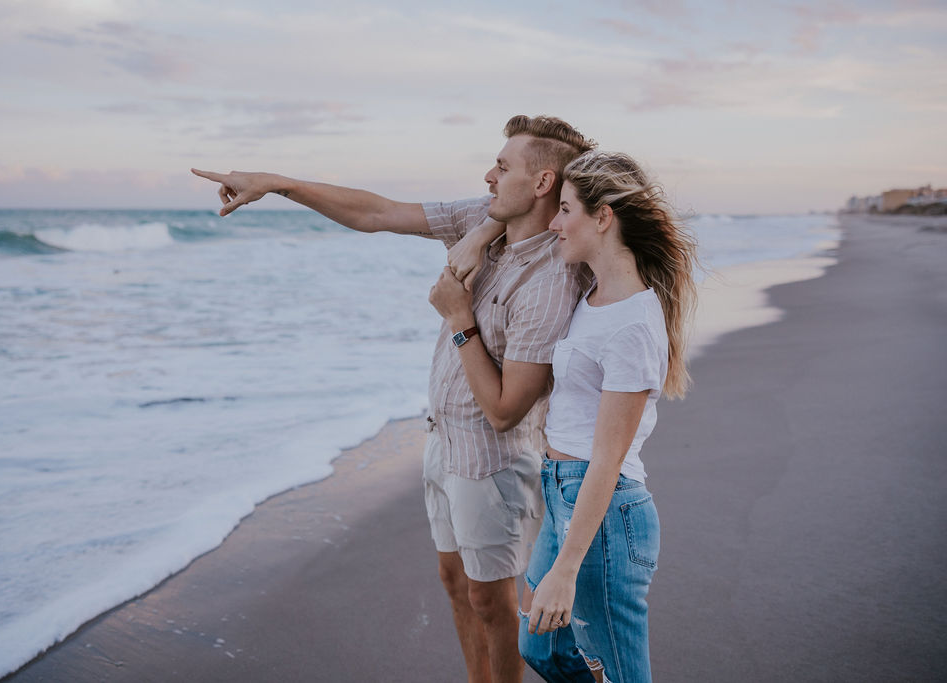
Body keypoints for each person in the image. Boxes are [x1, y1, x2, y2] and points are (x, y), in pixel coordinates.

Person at [190, 115, 597, 683]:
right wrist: (279, 183)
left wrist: (459, 319)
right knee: (456, 585)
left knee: (495, 604)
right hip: (443, 437)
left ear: (543, 183)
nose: (488, 175)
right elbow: (378, 213)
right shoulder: (485, 220)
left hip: (494, 461)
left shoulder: (552, 279)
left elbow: (507, 410)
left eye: (502, 167)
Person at [441, 150, 698, 682]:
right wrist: (482, 233)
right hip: (562, 491)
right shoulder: (596, 296)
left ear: (603, 217)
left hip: (602, 511)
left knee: (622, 674)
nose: (554, 223)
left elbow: (608, 458)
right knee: (544, 650)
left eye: (565, 209)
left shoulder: (632, 325)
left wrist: (566, 567)